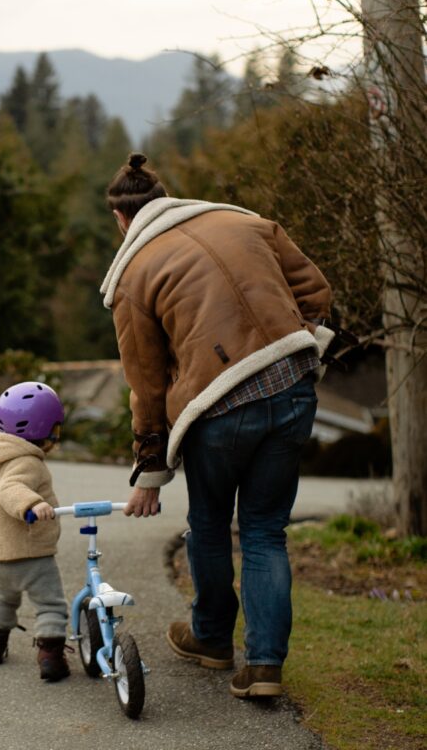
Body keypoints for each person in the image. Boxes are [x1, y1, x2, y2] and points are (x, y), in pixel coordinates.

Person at [101, 153, 334, 699]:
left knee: (209, 524)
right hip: (293, 387)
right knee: (264, 531)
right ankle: (265, 667)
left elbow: (148, 385)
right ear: (165, 197)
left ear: (120, 220)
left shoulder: (134, 275)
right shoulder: (248, 222)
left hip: (218, 408)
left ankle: (210, 638)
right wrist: (299, 347)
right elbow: (317, 294)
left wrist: (149, 470)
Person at [0, 380, 71, 682]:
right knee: (50, 604)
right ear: (48, 430)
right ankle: (51, 658)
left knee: (2, 599)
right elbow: (10, 490)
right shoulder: (27, 461)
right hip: (30, 553)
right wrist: (32, 503)